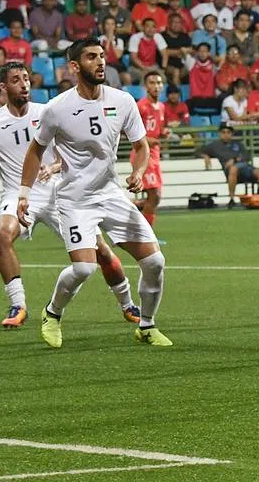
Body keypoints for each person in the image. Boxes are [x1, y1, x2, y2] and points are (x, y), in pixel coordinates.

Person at [0, 61, 139, 329]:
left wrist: (54, 166)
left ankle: (128, 304)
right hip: (19, 194)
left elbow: (71, 152)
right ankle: (18, 305)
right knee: (1, 234)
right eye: (16, 80)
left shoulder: (49, 112)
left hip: (59, 192)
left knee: (101, 251)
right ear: (3, 87)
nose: (24, 84)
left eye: (26, 78)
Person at [17, 38, 170, 348]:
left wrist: (138, 172)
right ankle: (52, 313)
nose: (100, 62)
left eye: (101, 56)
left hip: (111, 194)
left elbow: (141, 146)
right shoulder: (57, 108)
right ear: (75, 66)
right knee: (84, 268)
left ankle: (147, 325)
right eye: (91, 57)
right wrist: (23, 194)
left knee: (155, 262)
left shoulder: (122, 101)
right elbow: (35, 151)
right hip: (75, 200)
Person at [198, 123, 259, 207]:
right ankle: (232, 199)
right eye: (223, 132)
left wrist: (234, 159)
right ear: (219, 133)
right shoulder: (214, 146)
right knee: (233, 169)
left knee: (258, 171)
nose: (226, 135)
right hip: (230, 170)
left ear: (232, 134)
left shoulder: (238, 144)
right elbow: (198, 151)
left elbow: (246, 156)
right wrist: (205, 156)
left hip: (244, 167)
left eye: (228, 132)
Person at [133, 71, 168, 228]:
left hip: (155, 155)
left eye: (159, 83)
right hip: (142, 154)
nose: (156, 86)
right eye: (152, 83)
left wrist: (164, 133)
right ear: (145, 86)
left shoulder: (161, 107)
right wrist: (147, 139)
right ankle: (146, 234)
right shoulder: (140, 106)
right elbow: (129, 131)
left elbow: (156, 130)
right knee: (155, 195)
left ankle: (131, 209)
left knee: (154, 197)